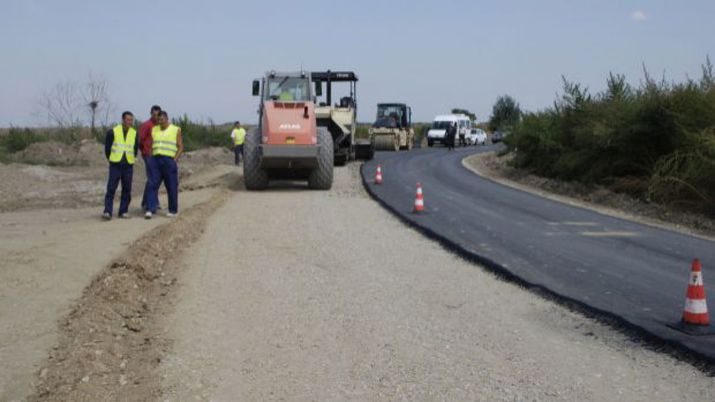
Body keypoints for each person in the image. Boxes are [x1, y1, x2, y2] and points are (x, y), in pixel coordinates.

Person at [146, 111, 183, 219]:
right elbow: (152, 145)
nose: (160, 121)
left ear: (167, 119)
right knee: (152, 184)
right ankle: (150, 209)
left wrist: (174, 160)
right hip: (155, 160)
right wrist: (150, 159)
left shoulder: (176, 129)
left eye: (162, 119)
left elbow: (180, 146)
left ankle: (173, 210)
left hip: (168, 161)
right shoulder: (154, 129)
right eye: (158, 120)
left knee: (171, 186)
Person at [102, 111, 138, 220]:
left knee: (127, 189)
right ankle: (108, 211)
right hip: (115, 164)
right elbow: (107, 149)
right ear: (123, 120)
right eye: (128, 120)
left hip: (128, 165)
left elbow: (135, 149)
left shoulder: (134, 133)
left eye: (131, 120)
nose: (130, 122)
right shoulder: (113, 131)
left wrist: (131, 158)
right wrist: (112, 159)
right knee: (111, 188)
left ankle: (123, 211)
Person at [139, 105, 162, 211]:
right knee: (153, 178)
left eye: (158, 115)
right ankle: (150, 203)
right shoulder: (146, 125)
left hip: (157, 155)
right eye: (154, 114)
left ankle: (147, 201)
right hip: (148, 155)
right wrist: (144, 152)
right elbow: (140, 141)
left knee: (153, 179)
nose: (156, 116)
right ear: (151, 114)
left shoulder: (160, 126)